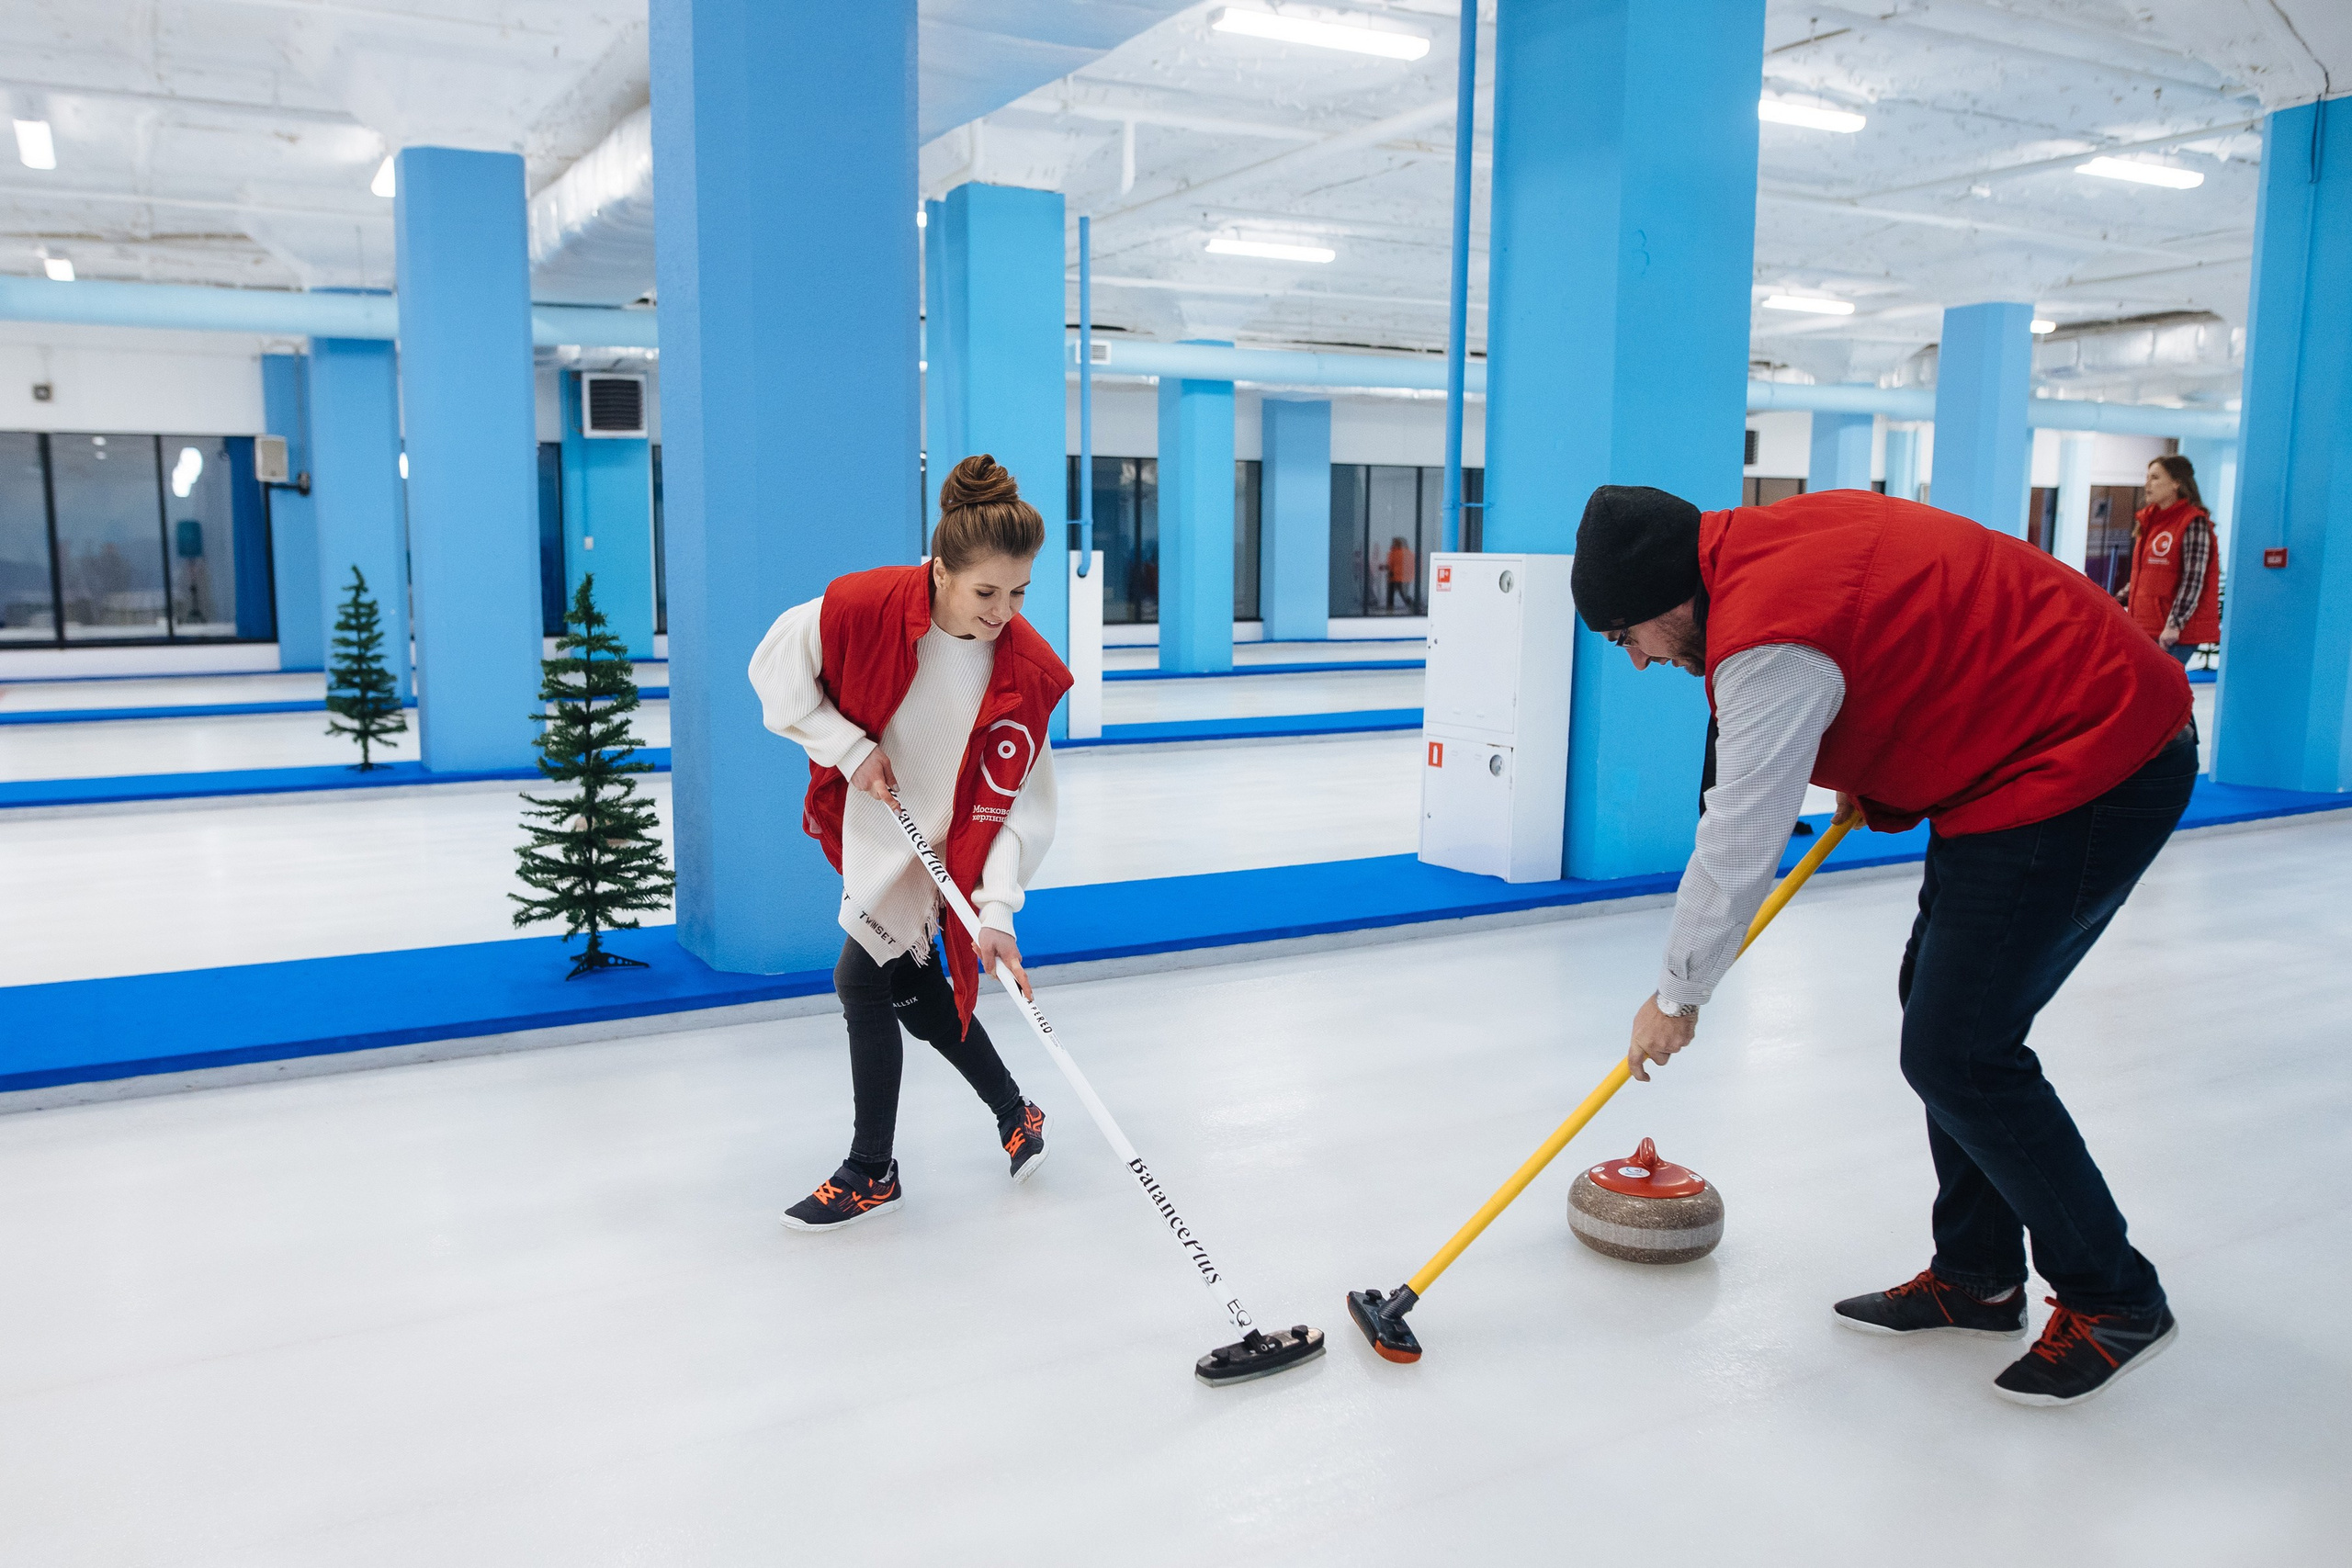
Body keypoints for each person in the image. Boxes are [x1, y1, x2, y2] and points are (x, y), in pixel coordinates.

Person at [1572, 483, 2195, 1407]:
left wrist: (1676, 996)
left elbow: (1738, 838)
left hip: (2092, 755)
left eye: (1627, 640)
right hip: (2014, 757)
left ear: (1671, 599)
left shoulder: (1767, 643)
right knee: (1943, 1019)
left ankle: (2116, 1298)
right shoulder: (1754, 549)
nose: (1635, 662)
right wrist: (1877, 760)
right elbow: (1901, 637)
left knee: (1961, 1048)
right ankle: (1978, 1274)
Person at [749, 455, 1071, 1232]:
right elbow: (775, 668)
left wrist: (997, 908)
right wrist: (847, 747)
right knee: (920, 997)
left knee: (861, 979)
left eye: (1020, 592)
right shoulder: (866, 607)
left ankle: (872, 1167)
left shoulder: (1022, 670)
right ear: (941, 569)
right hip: (887, 829)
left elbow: (1019, 801)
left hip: (951, 851)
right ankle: (1015, 1110)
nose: (1004, 612)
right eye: (986, 592)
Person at [2115, 454, 2219, 670]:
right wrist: (2113, 603)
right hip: (2146, 625)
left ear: (2176, 483)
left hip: (2173, 632)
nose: (2147, 484)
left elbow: (2193, 579)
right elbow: (2143, 578)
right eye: (2147, 477)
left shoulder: (2193, 522)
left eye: (2155, 477)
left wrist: (2174, 624)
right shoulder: (2150, 521)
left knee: (2160, 694)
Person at [1385, 536, 1415, 611]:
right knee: (1403, 593)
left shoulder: (1393, 553)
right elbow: (1412, 565)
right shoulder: (1409, 553)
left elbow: (1390, 565)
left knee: (1391, 593)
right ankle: (1413, 605)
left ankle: (1390, 607)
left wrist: (1387, 570)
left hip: (1394, 576)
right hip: (1405, 577)